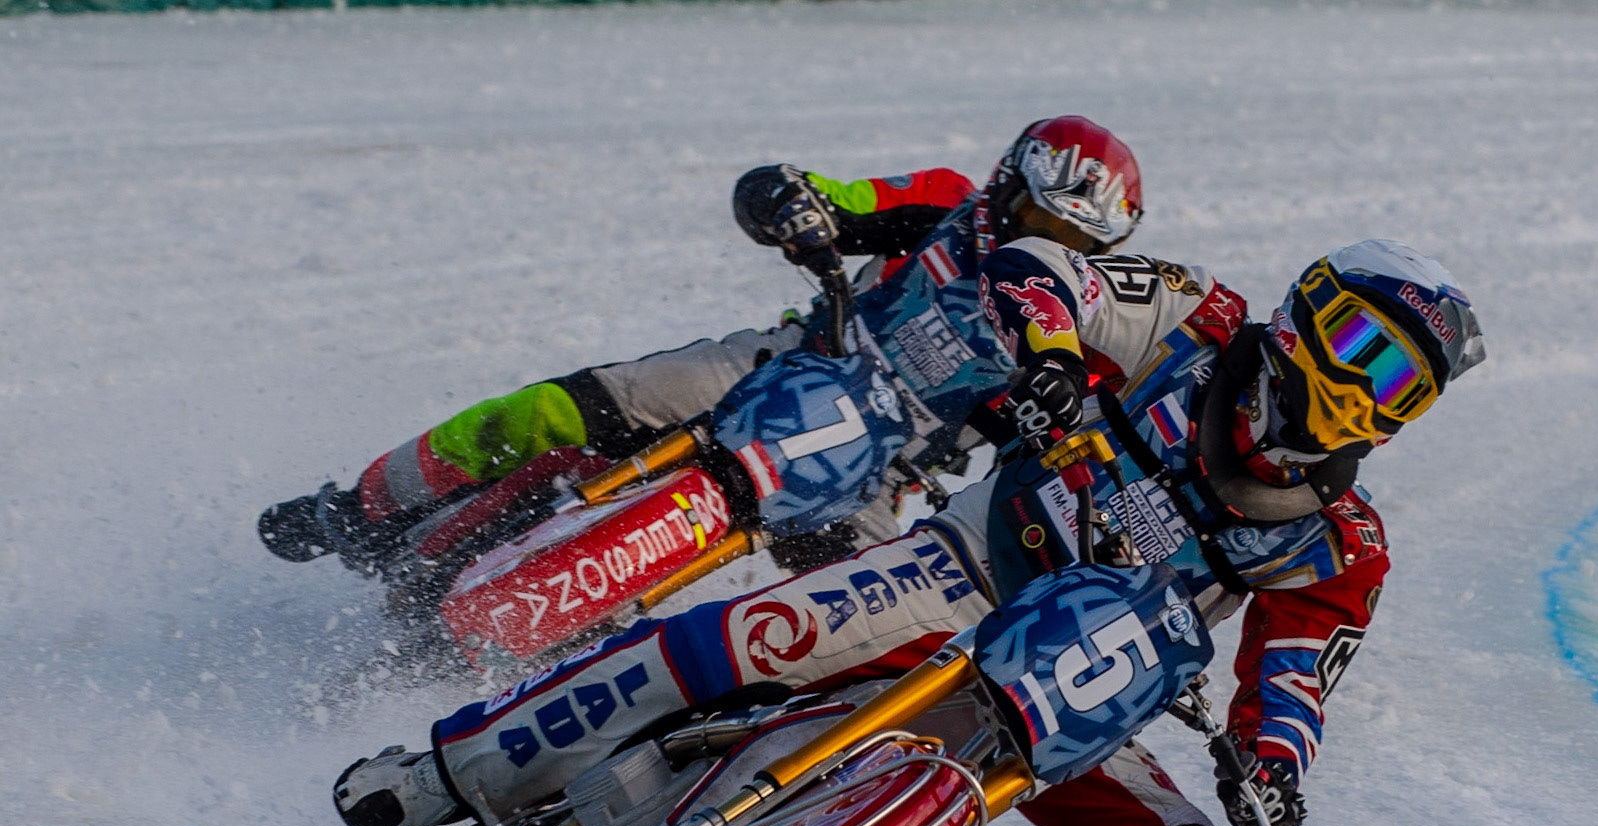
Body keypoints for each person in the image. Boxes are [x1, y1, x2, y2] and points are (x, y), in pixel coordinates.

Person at [332, 237, 1484, 826]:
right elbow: (1048, 273)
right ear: (1302, 315)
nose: (1360, 393)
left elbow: (1292, 672)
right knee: (750, 634)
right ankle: (450, 768)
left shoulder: (1338, 542)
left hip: (1073, 692)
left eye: (1397, 387)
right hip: (954, 570)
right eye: (1358, 350)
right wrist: (1042, 353)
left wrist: (1272, 761)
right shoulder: (1192, 320)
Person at [258, 116, 1144, 575]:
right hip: (792, 363)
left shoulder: (1083, 336)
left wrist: (1057, 441)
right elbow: (832, 196)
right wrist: (790, 199)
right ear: (1005, 185)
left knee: (838, 643)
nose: (1047, 249)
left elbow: (1083, 450)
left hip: (879, 475)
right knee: (561, 407)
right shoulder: (949, 198)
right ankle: (361, 507)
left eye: (1077, 244)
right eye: (1035, 218)